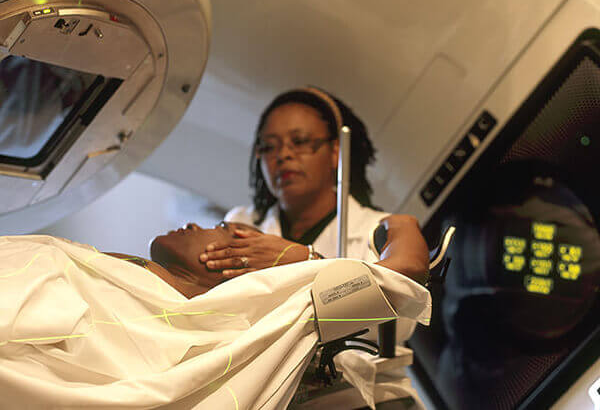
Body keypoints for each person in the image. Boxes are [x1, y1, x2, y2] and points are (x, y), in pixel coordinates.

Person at [0, 219, 431, 409]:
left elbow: (403, 271)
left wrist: (307, 258)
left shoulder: (267, 321)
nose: (193, 224)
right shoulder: (114, 268)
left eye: (224, 230)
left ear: (238, 260)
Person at [204, 87, 429, 284]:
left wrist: (306, 260)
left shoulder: (378, 231)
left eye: (300, 142)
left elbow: (398, 308)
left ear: (335, 153)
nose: (283, 155)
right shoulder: (241, 223)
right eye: (269, 147)